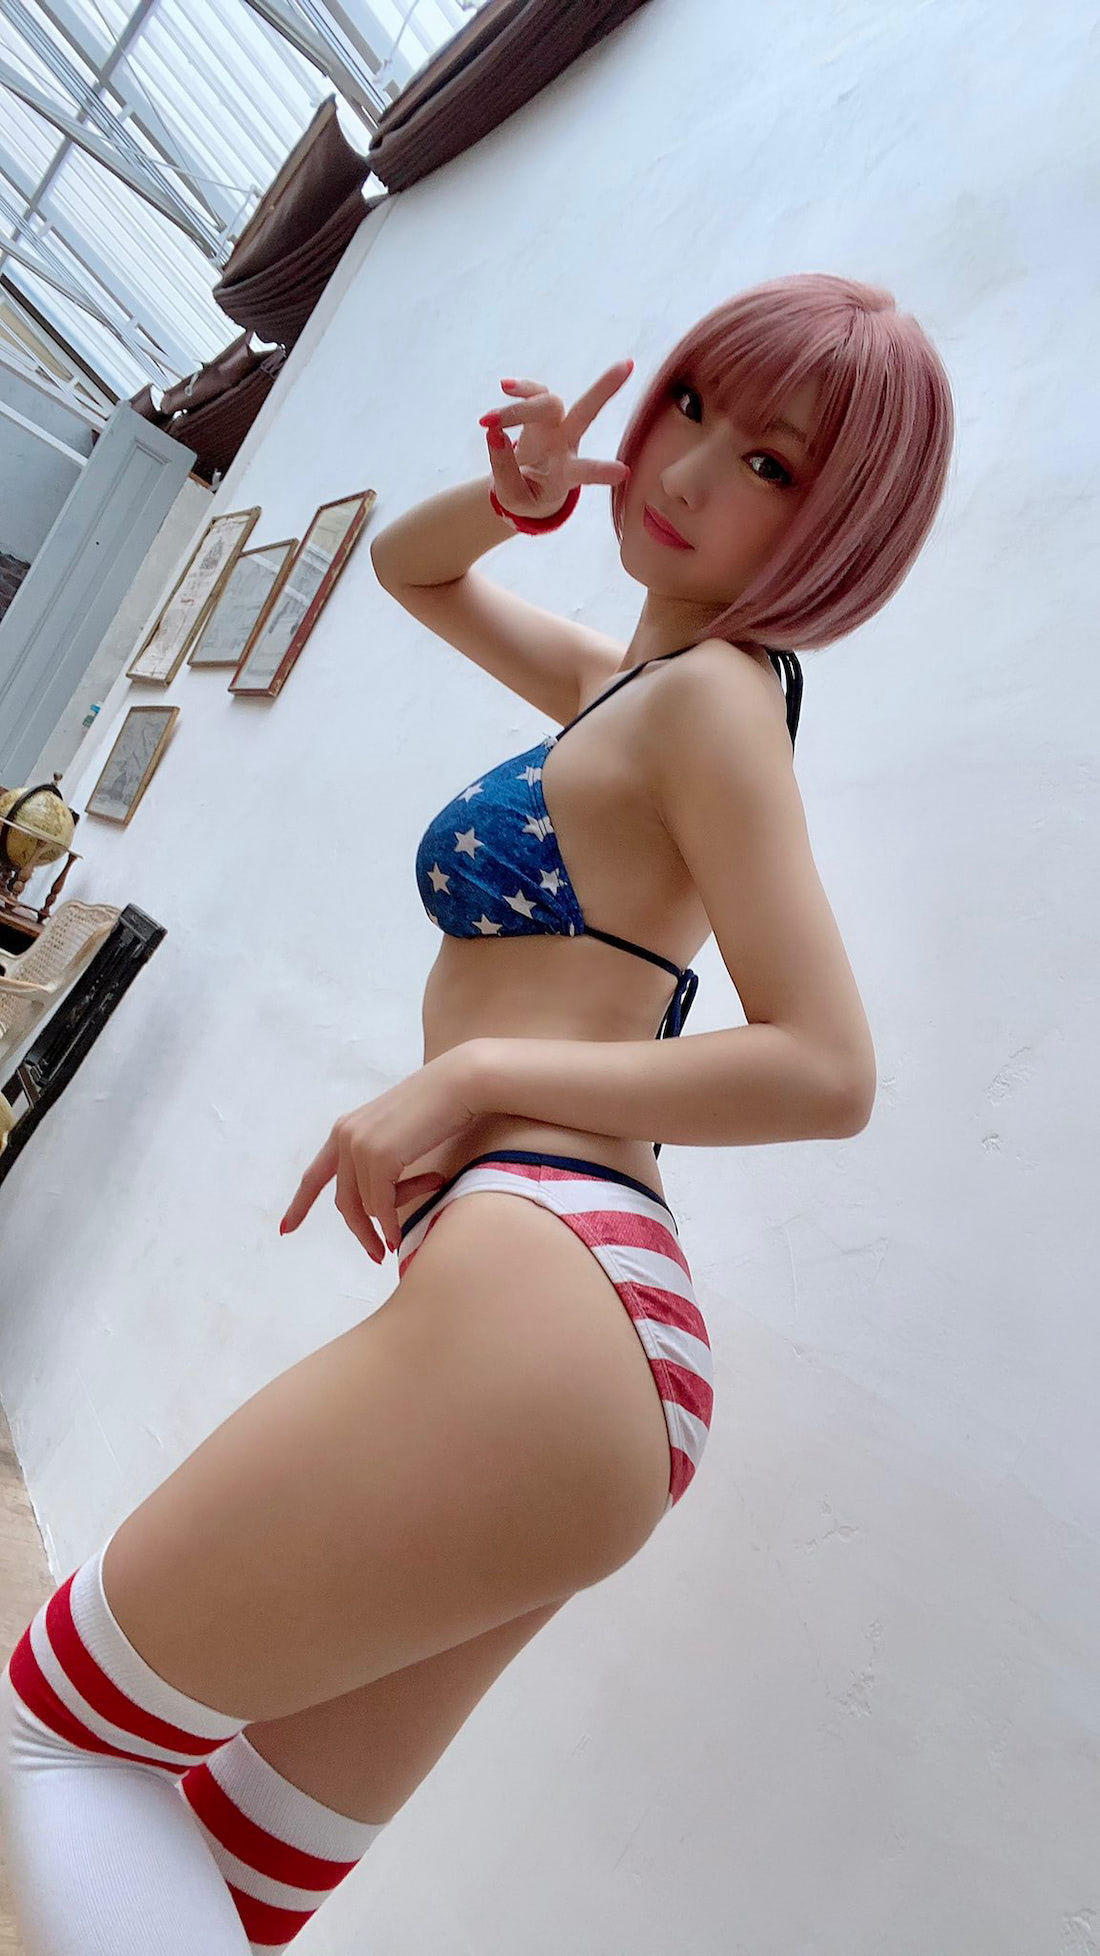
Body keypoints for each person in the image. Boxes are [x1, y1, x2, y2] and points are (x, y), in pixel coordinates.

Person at [0, 272, 953, 1954]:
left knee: (50, 1732)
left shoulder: (715, 702)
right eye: (692, 405)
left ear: (843, 532)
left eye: (773, 466)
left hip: (552, 1291)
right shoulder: (636, 691)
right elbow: (410, 567)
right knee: (238, 1868)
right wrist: (515, 498)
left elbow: (827, 1067)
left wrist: (477, 1074)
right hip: (595, 1343)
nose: (690, 467)